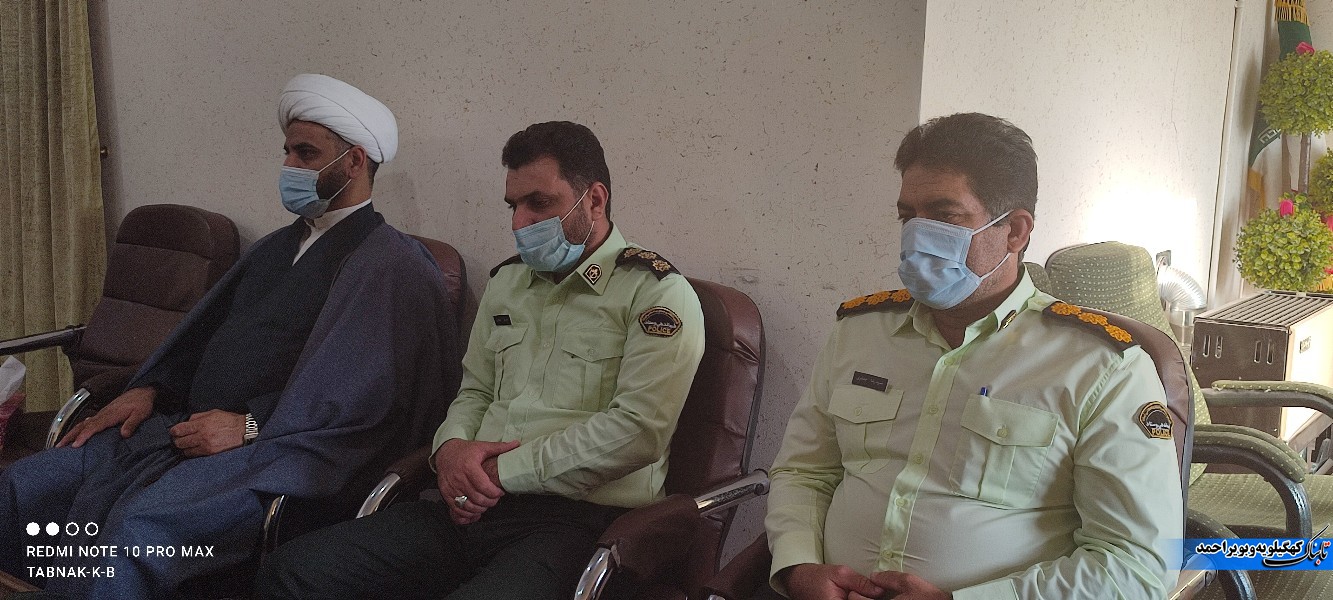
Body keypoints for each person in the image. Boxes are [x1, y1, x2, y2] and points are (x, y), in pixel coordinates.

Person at [0, 73, 460, 598]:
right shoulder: (276, 247)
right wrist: (150, 387)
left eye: (306, 154)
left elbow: (370, 404)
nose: (289, 166)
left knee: (137, 532)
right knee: (21, 485)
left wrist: (251, 427)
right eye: (287, 151)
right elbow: (201, 337)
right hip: (180, 428)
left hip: (279, 454)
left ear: (354, 162)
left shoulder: (395, 266)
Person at [256, 120, 706, 599]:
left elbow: (638, 432)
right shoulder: (508, 283)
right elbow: (474, 391)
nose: (519, 223)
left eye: (539, 203)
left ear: (594, 200)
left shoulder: (655, 294)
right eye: (513, 205)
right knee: (291, 572)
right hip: (468, 508)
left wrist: (499, 474)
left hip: (576, 522)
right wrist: (450, 451)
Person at [764, 113, 1182, 600]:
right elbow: (804, 472)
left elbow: (1137, 565)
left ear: (1015, 232)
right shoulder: (859, 334)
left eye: (944, 217)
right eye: (907, 217)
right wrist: (798, 566)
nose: (916, 236)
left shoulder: (1101, 366)